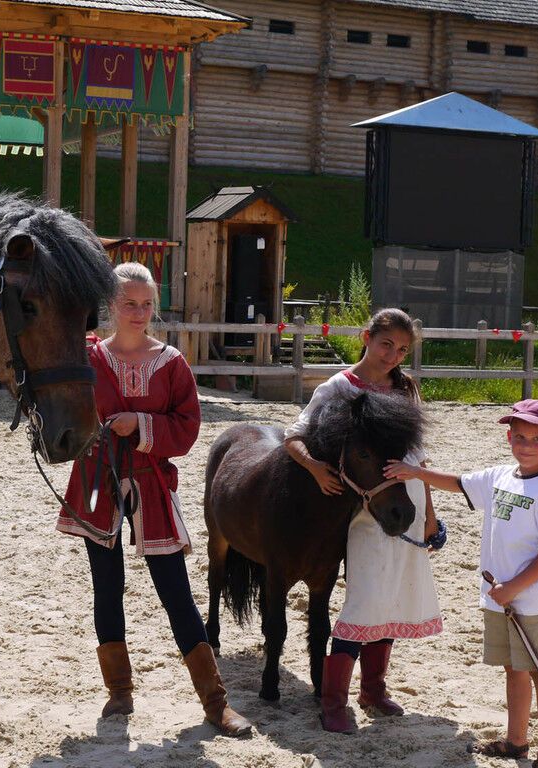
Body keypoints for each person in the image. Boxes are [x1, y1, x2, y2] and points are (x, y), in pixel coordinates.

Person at [56, 261, 251, 738]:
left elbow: (186, 428)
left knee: (175, 592)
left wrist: (138, 426)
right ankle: (119, 692)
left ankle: (215, 702)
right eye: (129, 303)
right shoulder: (85, 358)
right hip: (98, 481)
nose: (139, 312)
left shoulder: (171, 363)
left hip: (152, 484)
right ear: (111, 306)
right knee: (107, 586)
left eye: (146, 304)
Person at [384, 398, 538, 768]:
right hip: (500, 599)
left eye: (537, 438)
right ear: (508, 437)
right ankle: (516, 741)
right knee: (514, 671)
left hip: (531, 602)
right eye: (519, 437)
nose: (526, 445)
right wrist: (416, 473)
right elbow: (458, 483)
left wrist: (515, 587)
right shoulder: (501, 476)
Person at [284, 307, 443, 733]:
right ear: (366, 337)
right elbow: (293, 435)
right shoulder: (338, 386)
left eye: (402, 349)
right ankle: (333, 701)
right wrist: (316, 469)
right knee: (366, 598)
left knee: (392, 596)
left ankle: (373, 689)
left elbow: (418, 457)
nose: (392, 355)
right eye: (386, 343)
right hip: (363, 508)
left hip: (406, 500)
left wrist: (429, 512)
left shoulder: (404, 388)